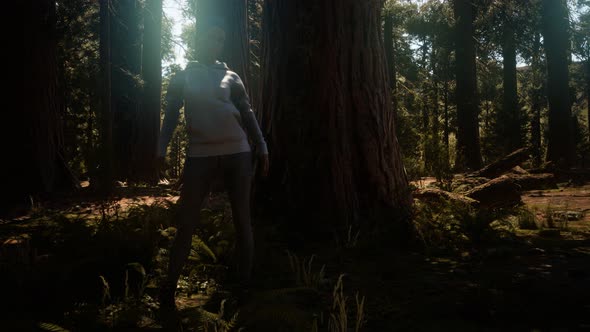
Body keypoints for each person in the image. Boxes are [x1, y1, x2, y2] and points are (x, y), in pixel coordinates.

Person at [157, 16, 269, 312]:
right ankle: (169, 289)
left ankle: (243, 284)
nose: (215, 41)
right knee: (186, 223)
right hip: (200, 155)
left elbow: (248, 115)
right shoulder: (183, 76)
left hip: (238, 153)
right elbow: (170, 116)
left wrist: (262, 146)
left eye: (220, 38)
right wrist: (161, 149)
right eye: (210, 36)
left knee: (242, 219)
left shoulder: (232, 77)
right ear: (200, 41)